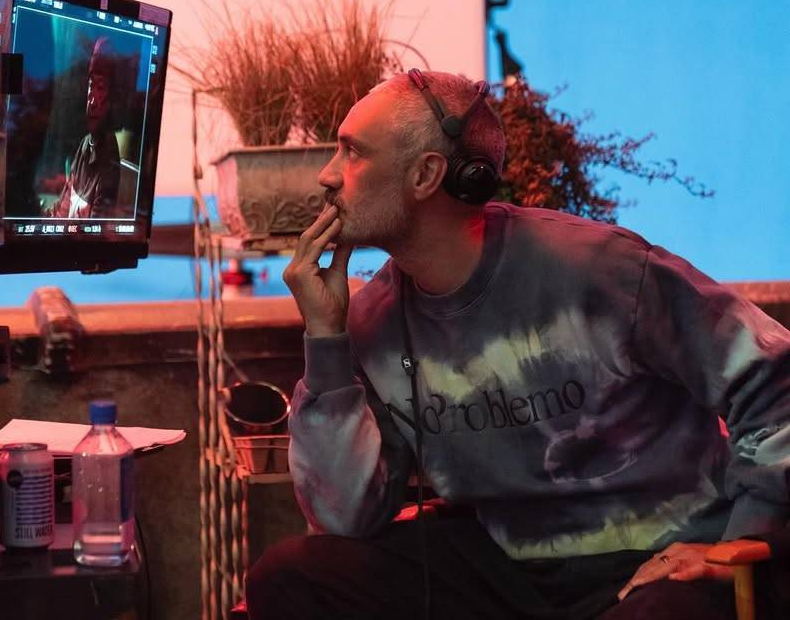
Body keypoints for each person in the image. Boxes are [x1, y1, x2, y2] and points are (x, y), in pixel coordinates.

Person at [246, 69, 790, 619]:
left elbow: (774, 380)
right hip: (505, 567)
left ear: (427, 174)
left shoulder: (599, 273)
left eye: (352, 153)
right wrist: (326, 339)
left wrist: (740, 540)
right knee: (290, 578)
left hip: (658, 562)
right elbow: (342, 517)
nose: (327, 176)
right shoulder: (374, 320)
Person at [49, 37, 123, 219]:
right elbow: (63, 207)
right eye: (91, 86)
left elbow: (95, 233)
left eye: (101, 87)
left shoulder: (110, 162)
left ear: (112, 99)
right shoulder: (85, 145)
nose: (92, 101)